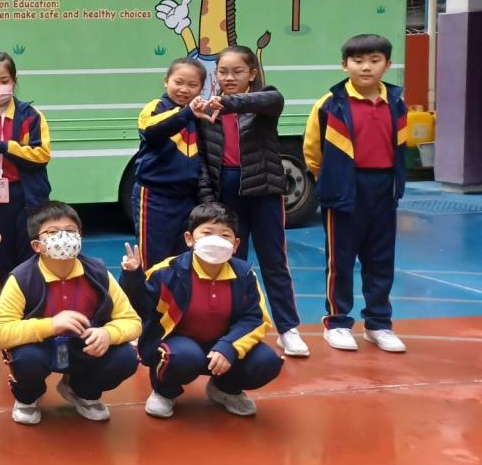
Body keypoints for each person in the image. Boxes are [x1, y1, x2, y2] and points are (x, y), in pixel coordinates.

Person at [194, 46, 308, 358]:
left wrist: (225, 103)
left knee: (274, 260)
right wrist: (209, 200)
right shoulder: (206, 112)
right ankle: (235, 327)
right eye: (222, 71)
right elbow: (203, 161)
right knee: (231, 262)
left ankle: (288, 328)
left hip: (264, 191)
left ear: (252, 74)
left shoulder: (265, 101)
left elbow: (269, 100)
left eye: (237, 71)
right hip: (227, 194)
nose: (229, 78)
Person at [121, 203, 283, 419]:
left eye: (225, 235)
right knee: (182, 357)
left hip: (223, 345)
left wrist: (228, 347)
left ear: (235, 244)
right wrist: (133, 278)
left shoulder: (244, 275)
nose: (216, 240)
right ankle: (164, 391)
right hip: (180, 345)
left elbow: (256, 319)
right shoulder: (167, 272)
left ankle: (225, 389)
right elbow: (141, 307)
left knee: (267, 361)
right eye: (207, 233)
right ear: (189, 239)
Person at [0, 202, 140, 425]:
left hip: (85, 346)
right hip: (41, 347)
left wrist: (108, 334)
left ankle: (81, 390)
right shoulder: (22, 278)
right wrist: (50, 325)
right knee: (26, 358)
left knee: (126, 357)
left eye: (71, 231)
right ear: (37, 245)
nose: (64, 238)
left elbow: (132, 321)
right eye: (52, 232)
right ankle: (28, 397)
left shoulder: (98, 273)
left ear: (79, 238)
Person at [304, 33, 409, 353]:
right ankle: (337, 323)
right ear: (344, 65)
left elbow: (400, 147)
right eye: (358, 61)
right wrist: (332, 181)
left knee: (381, 260)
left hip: (384, 189)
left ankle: (378, 323)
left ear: (387, 65)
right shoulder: (330, 104)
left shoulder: (396, 102)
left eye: (374, 61)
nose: (366, 67)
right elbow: (312, 151)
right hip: (344, 191)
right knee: (341, 260)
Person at [0, 51, 51, 293]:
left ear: (14, 81)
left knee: (32, 259)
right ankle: (7, 311)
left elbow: (41, 155)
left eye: (4, 81)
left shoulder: (30, 116)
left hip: (27, 199)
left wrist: (1, 145)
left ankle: (33, 310)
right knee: (3, 262)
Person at [133, 58, 206, 270]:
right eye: (178, 82)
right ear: (166, 81)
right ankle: (144, 293)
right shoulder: (157, 107)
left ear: (201, 88)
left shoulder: (200, 114)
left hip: (188, 199)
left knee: (184, 261)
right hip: (155, 197)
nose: (184, 89)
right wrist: (186, 113)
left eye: (192, 85)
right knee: (153, 263)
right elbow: (150, 131)